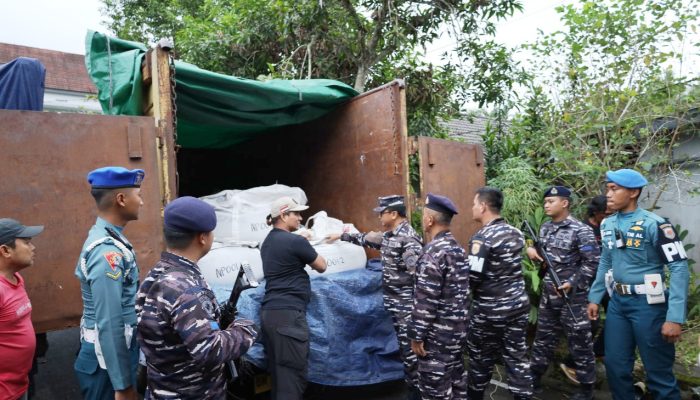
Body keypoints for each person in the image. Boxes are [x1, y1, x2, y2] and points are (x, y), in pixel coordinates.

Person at [136, 196, 257, 399]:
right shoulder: (187, 288)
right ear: (203, 238)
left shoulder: (157, 273)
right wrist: (246, 330)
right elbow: (209, 350)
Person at [587, 169, 690, 400]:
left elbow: (679, 268)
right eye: (607, 188)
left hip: (649, 306)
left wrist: (674, 317)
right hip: (618, 304)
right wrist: (595, 297)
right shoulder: (607, 224)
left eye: (614, 189)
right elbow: (606, 260)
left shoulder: (656, 224)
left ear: (633, 192)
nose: (608, 194)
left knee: (658, 372)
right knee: (615, 365)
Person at [329, 195, 423, 399]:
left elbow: (421, 276)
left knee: (412, 355)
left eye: (382, 212)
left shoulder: (408, 239)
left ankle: (417, 393)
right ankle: (412, 390)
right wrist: (340, 236)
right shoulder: (390, 236)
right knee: (406, 353)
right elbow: (366, 239)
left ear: (394, 213)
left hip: (407, 308)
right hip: (397, 306)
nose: (379, 216)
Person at [74, 166, 144, 400]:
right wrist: (122, 385)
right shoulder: (106, 252)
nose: (141, 202)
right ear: (121, 199)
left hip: (112, 358)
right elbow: (109, 320)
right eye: (138, 195)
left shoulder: (111, 236)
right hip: (106, 364)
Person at [526, 186, 600, 399]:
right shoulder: (546, 228)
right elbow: (542, 251)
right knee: (543, 340)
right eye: (545, 202)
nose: (546, 205)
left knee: (580, 344)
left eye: (551, 201)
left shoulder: (581, 230)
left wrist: (572, 282)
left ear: (565, 203)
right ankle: (534, 379)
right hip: (549, 296)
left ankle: (587, 389)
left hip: (572, 299)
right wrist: (531, 249)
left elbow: (592, 262)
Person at [466, 187, 533, 400]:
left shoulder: (482, 238)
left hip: (490, 311)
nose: (473, 208)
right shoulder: (516, 233)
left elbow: (473, 277)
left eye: (475, 204)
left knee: (480, 359)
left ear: (484, 206)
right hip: (518, 306)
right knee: (517, 358)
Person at [260, 196, 327, 400]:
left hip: (270, 316)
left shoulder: (267, 243)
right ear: (283, 214)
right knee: (292, 381)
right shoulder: (295, 241)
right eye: (296, 213)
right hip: (288, 318)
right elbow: (322, 266)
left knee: (280, 379)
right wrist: (304, 241)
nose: (300, 217)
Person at [408, 193, 469, 400]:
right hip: (457, 332)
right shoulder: (458, 249)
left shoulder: (432, 253)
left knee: (435, 391)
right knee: (458, 384)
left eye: (424, 215)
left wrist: (416, 336)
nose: (422, 219)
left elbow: (426, 301)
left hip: (437, 337)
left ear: (430, 220)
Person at [561, 194, 609, 383]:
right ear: (595, 212)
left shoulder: (610, 227)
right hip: (586, 281)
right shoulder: (583, 229)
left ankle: (599, 351)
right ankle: (572, 362)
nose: (608, 217)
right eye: (605, 214)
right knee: (591, 322)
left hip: (606, 280)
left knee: (615, 315)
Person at [0, 218, 44, 400]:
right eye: (26, 243)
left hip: (18, 386)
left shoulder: (16, 278)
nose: (33, 248)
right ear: (5, 250)